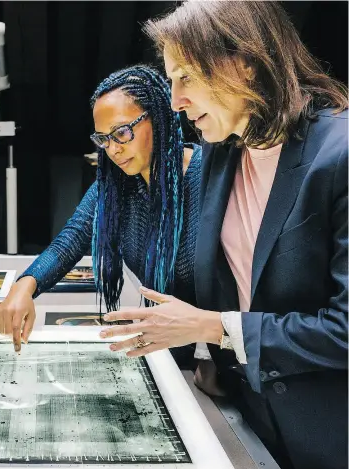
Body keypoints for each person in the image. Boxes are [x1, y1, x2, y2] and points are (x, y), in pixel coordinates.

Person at [100, 2, 347, 469]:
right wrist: (209, 350)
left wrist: (213, 327)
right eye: (171, 81)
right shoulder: (222, 153)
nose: (175, 101)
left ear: (245, 63)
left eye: (187, 77)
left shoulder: (340, 156)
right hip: (252, 420)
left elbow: (346, 329)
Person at [0, 64, 203, 365]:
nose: (113, 150)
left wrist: (208, 356)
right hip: (166, 357)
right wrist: (25, 286)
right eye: (103, 139)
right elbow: (72, 238)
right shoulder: (117, 187)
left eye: (121, 132)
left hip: (221, 362)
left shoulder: (208, 178)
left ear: (158, 117)